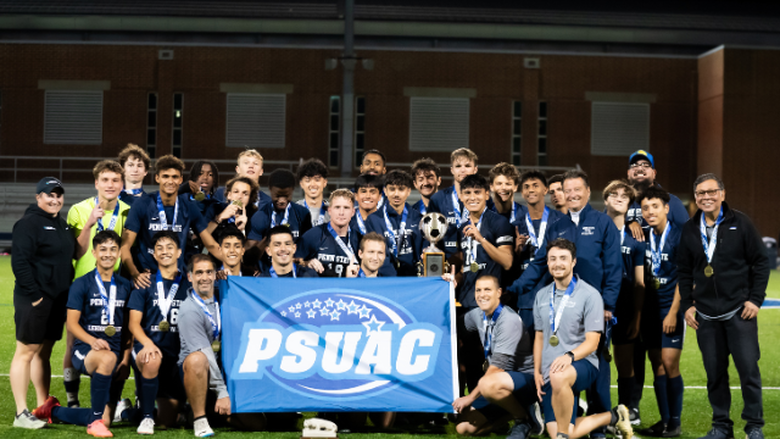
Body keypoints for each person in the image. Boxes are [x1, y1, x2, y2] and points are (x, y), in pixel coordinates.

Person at [509, 170, 621, 438]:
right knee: (564, 366)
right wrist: (512, 290)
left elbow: (614, 267)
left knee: (598, 365)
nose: (571, 195)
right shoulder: (557, 224)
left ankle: (601, 425)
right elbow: (539, 264)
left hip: (595, 308)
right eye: (567, 190)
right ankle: (570, 422)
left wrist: (608, 304)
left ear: (587, 190)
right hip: (564, 308)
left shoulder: (602, 222)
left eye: (576, 190)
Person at [678, 174, 768, 439]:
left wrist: (755, 299)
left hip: (739, 311)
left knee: (748, 371)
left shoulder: (740, 223)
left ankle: (754, 426)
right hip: (706, 314)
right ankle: (721, 426)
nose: (706, 197)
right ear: (695, 197)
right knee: (715, 374)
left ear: (722, 194)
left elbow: (761, 262)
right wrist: (686, 305)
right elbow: (684, 270)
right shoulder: (689, 229)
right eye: (700, 193)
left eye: (711, 192)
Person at [34, 230, 133, 438]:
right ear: (94, 252)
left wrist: (125, 360)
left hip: (115, 354)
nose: (108, 254)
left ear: (118, 253)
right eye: (103, 249)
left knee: (108, 419)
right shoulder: (82, 283)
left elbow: (129, 328)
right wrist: (92, 341)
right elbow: (71, 324)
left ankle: (53, 410)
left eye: (113, 249)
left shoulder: (125, 286)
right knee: (106, 358)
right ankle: (94, 423)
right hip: (85, 350)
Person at [532, 238, 633, 439]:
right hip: (550, 371)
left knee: (560, 378)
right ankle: (613, 417)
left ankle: (562, 435)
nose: (557, 263)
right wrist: (536, 371)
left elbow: (592, 342)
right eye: (552, 259)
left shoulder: (590, 295)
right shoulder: (542, 296)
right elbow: (540, 337)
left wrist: (569, 356)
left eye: (563, 258)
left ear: (573, 262)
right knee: (559, 431)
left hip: (581, 365)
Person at [10, 177, 75, 429]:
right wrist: (35, 295)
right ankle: (21, 413)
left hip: (57, 300)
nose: (55, 199)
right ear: (38, 197)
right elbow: (20, 263)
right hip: (35, 299)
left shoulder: (61, 224)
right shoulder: (28, 224)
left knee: (43, 353)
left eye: (59, 195)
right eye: (49, 195)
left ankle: (41, 407)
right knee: (25, 352)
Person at [179, 254, 267, 437]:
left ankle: (211, 413)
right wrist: (222, 392)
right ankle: (199, 418)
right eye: (199, 273)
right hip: (201, 373)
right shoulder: (189, 310)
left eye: (209, 272)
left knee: (255, 424)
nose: (204, 277)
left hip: (225, 371)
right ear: (190, 277)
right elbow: (207, 356)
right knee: (197, 359)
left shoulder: (225, 296)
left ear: (215, 274)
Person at [65, 160, 130, 408]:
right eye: (105, 180)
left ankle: (107, 403)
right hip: (82, 283)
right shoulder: (79, 210)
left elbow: (125, 249)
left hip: (113, 286)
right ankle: (72, 400)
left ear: (122, 184)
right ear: (96, 183)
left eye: (115, 180)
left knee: (113, 341)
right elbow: (76, 251)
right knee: (72, 342)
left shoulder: (127, 211)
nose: (110, 185)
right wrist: (90, 222)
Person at [452, 275, 539, 439]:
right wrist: (447, 288)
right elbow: (453, 324)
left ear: (498, 293)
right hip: (497, 384)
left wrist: (469, 398)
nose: (482, 294)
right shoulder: (478, 315)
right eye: (478, 290)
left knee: (486, 383)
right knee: (464, 428)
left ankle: (522, 421)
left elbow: (496, 369)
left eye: (487, 290)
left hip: (524, 382)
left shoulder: (509, 320)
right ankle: (520, 414)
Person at [121, 155, 225, 289]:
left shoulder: (188, 207)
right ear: (157, 178)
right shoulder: (142, 204)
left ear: (181, 179)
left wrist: (234, 263)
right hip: (147, 280)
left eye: (175, 177)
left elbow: (210, 244)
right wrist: (135, 274)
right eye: (165, 176)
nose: (170, 181)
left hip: (177, 279)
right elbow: (125, 246)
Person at [126, 230, 191, 433]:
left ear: (179, 252)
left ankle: (127, 412)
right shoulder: (144, 283)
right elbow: (133, 324)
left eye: (169, 247)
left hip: (174, 355)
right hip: (148, 348)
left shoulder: (188, 285)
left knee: (167, 421)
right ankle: (146, 418)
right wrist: (147, 343)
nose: (165, 252)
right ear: (154, 254)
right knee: (152, 358)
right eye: (159, 248)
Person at [638, 186, 684, 438]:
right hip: (650, 309)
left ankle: (675, 422)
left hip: (670, 308)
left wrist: (674, 312)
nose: (650, 212)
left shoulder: (679, 236)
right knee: (657, 364)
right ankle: (665, 421)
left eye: (655, 206)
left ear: (666, 208)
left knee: (669, 363)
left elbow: (686, 278)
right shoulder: (643, 235)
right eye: (645, 208)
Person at [602, 180, 645, 426]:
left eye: (624, 196)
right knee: (597, 361)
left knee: (624, 363)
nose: (619, 198)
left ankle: (624, 414)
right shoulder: (595, 230)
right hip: (598, 306)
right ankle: (601, 414)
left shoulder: (635, 238)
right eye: (613, 195)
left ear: (630, 204)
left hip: (626, 307)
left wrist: (637, 317)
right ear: (605, 200)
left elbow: (639, 283)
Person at [512, 170, 563, 329]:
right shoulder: (516, 224)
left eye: (536, 186)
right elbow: (510, 265)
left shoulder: (560, 220)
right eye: (526, 187)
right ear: (522, 192)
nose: (531, 190)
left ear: (545, 190)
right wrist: (516, 251)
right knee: (526, 349)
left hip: (554, 294)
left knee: (553, 348)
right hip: (526, 298)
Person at [366, 169, 424, 277]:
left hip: (413, 280)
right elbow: (375, 254)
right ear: (385, 191)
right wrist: (393, 280)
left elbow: (421, 255)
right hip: (386, 280)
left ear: (408, 191)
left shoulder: (418, 219)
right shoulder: (373, 220)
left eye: (401, 189)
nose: (396, 194)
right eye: (392, 189)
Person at [428, 148, 481, 257]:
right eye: (458, 166)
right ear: (452, 170)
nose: (463, 170)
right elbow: (430, 235)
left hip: (476, 260)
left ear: (475, 170)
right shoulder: (438, 198)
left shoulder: (483, 199)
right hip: (445, 260)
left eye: (467, 166)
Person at [625, 150, 688, 240]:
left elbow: (686, 235)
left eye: (645, 165)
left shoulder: (671, 201)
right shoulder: (619, 201)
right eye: (634, 165)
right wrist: (627, 222)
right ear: (628, 173)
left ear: (654, 173)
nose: (639, 168)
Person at [297, 189, 361, 278]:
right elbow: (293, 261)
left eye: (346, 208)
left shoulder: (359, 239)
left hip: (347, 290)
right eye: (337, 207)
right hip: (320, 290)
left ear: (353, 212)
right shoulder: (313, 235)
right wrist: (306, 263)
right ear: (329, 210)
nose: (341, 213)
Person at [247, 169, 312, 245]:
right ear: (270, 190)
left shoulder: (302, 213)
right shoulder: (260, 216)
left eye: (286, 196)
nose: (281, 201)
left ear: (293, 190)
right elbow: (252, 252)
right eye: (277, 196)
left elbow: (308, 246)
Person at [488, 162, 527, 227]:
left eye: (508, 184)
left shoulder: (526, 214)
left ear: (515, 187)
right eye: (499, 184)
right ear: (491, 186)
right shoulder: (484, 214)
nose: (503, 188)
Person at [297, 158, 330, 227]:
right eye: (308, 180)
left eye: (317, 180)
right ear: (301, 184)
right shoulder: (294, 211)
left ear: (324, 182)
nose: (313, 184)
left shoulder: (333, 211)